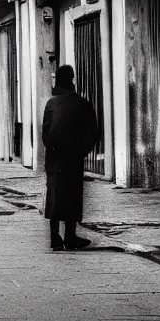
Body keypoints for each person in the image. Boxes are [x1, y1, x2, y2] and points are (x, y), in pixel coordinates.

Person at [42, 64, 99, 251]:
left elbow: (45, 133)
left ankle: (54, 236)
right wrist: (82, 150)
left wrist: (51, 148)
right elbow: (93, 132)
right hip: (73, 157)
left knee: (55, 195)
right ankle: (70, 235)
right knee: (72, 194)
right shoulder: (82, 104)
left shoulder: (51, 104)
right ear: (71, 80)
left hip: (54, 157)